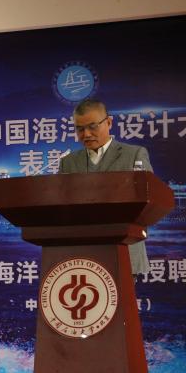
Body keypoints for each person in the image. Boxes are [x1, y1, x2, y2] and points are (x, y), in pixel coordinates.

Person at [60, 98, 152, 275]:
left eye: (92, 126)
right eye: (80, 129)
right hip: (81, 258)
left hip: (125, 252)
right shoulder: (68, 163)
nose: (86, 134)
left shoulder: (134, 154)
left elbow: (147, 204)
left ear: (108, 122)